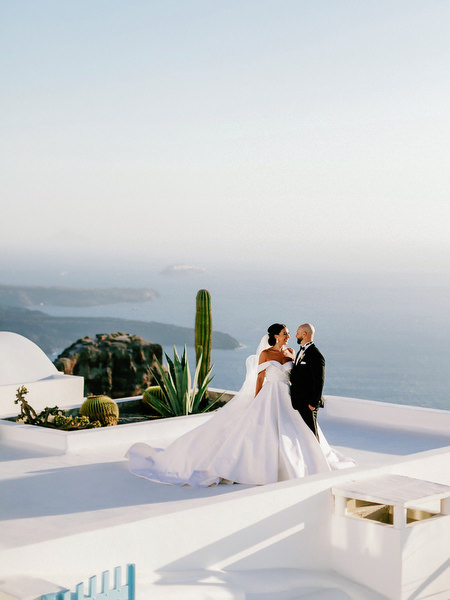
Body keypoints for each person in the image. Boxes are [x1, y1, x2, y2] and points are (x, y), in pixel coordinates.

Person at [126, 323, 355, 487]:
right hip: (268, 396)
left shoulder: (292, 353)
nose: (288, 336)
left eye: (289, 333)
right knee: (263, 432)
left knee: (294, 432)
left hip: (288, 397)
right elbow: (259, 379)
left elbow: (299, 377)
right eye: (285, 333)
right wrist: (256, 399)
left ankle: (302, 463)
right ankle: (258, 468)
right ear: (275, 336)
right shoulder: (265, 354)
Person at [290, 323, 325, 441]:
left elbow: (319, 381)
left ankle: (317, 458)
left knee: (312, 434)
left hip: (308, 403)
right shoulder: (300, 351)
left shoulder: (315, 355)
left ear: (304, 334)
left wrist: (313, 403)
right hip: (298, 401)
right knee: (303, 435)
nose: (295, 335)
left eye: (298, 333)